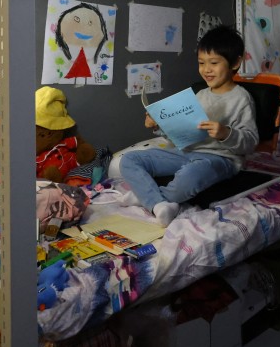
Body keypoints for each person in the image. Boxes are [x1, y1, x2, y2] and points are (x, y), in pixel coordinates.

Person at [109, 25, 258, 225]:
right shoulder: (201, 95)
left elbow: (250, 142)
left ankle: (150, 198)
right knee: (129, 160)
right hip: (186, 152)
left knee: (189, 177)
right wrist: (160, 124)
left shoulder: (241, 98)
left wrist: (225, 133)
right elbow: (182, 134)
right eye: (201, 63)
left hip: (222, 159)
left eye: (214, 63)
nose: (206, 69)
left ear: (235, 62)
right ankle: (157, 202)